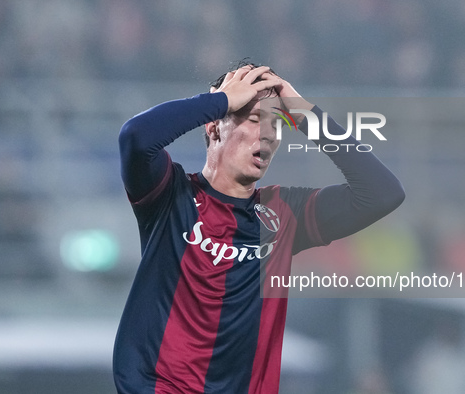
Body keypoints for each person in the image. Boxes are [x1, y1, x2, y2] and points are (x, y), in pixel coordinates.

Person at [113, 61, 405, 394]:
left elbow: (383, 193)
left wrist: (304, 112)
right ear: (213, 127)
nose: (267, 133)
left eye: (277, 124)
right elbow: (136, 137)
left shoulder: (283, 214)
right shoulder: (170, 193)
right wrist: (220, 102)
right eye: (253, 119)